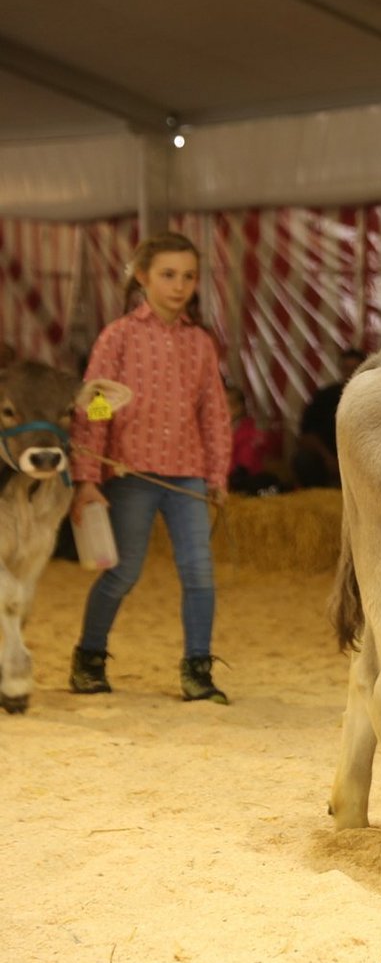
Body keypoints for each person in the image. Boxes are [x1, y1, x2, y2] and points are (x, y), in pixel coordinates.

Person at [67, 231, 233, 703]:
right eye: (168, 275)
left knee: (199, 574)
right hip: (130, 474)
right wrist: (86, 477)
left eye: (188, 277)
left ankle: (197, 669)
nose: (179, 286)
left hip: (186, 475)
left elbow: (213, 412)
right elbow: (95, 406)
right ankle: (89, 658)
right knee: (123, 572)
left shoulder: (200, 343)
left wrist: (217, 475)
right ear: (142, 277)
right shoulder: (118, 337)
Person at [292, 347, 365, 489]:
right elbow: (306, 436)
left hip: (361, 461)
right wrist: (329, 458)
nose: (350, 373)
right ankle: (316, 494)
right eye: (346, 369)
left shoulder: (375, 398)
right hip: (327, 458)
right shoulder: (324, 397)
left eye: (354, 369)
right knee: (303, 459)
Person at [226, 385, 283, 494]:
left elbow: (247, 457)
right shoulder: (219, 430)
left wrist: (238, 471)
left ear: (240, 407)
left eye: (228, 405)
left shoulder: (251, 431)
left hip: (247, 475)